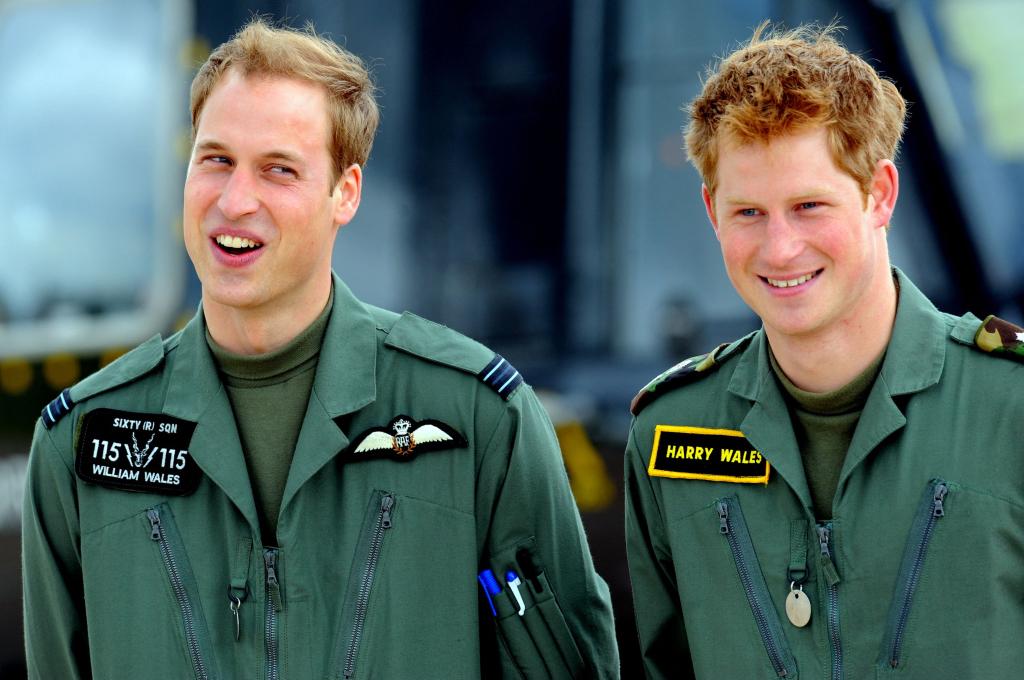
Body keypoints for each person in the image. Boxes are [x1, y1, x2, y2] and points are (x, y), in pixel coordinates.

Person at [22, 18, 618, 679]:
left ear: (345, 193)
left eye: (279, 169)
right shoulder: (79, 444)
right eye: (215, 159)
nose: (235, 199)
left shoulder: (478, 419)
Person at [624, 22, 1024, 680]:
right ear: (711, 211)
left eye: (810, 206)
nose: (780, 249)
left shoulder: (1010, 404)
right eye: (748, 212)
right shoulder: (671, 432)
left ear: (880, 195)